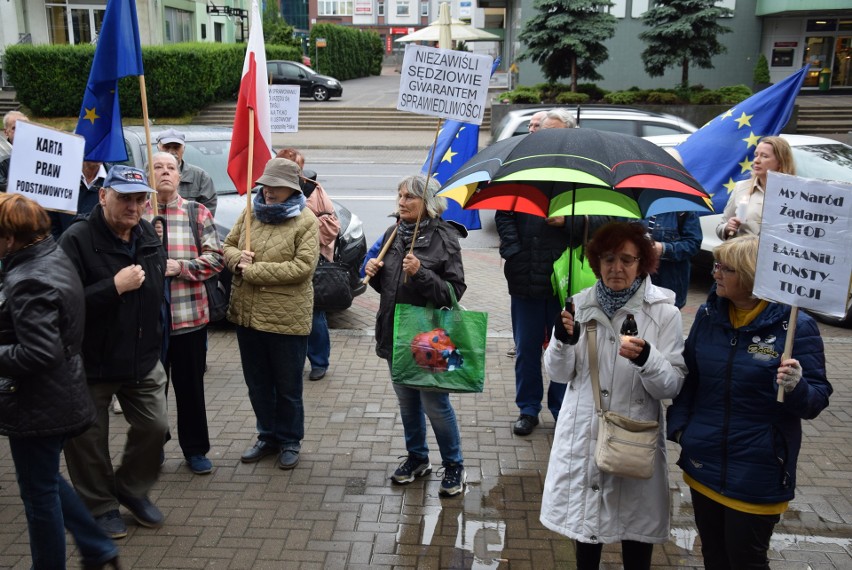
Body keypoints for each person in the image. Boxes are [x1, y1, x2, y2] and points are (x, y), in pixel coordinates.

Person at [667, 235, 832, 569]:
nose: (715, 273)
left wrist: (797, 386)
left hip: (758, 471)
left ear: (753, 275)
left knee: (746, 560)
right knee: (713, 555)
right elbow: (691, 377)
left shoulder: (796, 326)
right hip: (705, 463)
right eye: (716, 265)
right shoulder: (709, 314)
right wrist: (682, 430)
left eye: (725, 268)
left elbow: (815, 402)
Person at [540, 221, 686, 570]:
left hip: (634, 439)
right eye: (608, 259)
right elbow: (559, 374)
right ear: (596, 262)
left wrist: (647, 359)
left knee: (636, 535)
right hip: (583, 436)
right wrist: (561, 341)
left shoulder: (664, 312)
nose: (616, 268)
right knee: (586, 533)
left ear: (642, 263)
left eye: (627, 259)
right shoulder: (578, 305)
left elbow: (671, 386)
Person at [0, 194, 121, 570]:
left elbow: (39, 353)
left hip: (37, 402)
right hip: (55, 394)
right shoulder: (49, 255)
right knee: (45, 480)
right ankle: (97, 546)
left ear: (8, 238)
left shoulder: (28, 278)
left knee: (39, 497)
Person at [59, 165, 169, 539]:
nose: (134, 206)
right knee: (87, 441)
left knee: (156, 427)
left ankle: (131, 489)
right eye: (125, 197)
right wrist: (113, 287)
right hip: (90, 364)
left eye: (141, 199)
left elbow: (156, 296)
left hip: (141, 358)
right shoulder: (76, 239)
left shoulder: (148, 236)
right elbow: (62, 304)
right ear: (103, 196)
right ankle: (100, 506)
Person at [364, 174, 468, 496]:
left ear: (429, 202)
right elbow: (390, 289)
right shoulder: (393, 233)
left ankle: (454, 465)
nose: (402, 202)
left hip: (429, 338)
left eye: (410, 197)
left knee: (434, 405)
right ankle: (417, 458)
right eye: (400, 195)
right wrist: (375, 275)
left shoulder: (445, 237)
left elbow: (453, 292)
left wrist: (420, 272)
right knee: (407, 402)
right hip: (394, 332)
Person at [224, 158, 318, 470]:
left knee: (288, 387)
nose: (267, 191)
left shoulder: (306, 221)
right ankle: (267, 436)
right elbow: (226, 247)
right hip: (247, 316)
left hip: (286, 319)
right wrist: (238, 259)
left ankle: (290, 440)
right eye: (265, 185)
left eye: (275, 187)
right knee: (258, 383)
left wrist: (253, 270)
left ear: (291, 189)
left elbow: (302, 268)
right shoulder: (251, 212)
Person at [496, 207, 609, 436]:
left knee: (566, 347)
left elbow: (604, 220)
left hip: (565, 280)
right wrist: (513, 251)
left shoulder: (580, 179)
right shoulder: (523, 178)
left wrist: (568, 221)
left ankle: (561, 409)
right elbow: (504, 215)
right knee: (526, 348)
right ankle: (528, 409)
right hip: (525, 276)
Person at [150, 152, 224, 474]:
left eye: (171, 167)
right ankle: (153, 449)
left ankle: (195, 449)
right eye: (158, 167)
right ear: (148, 175)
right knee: (152, 393)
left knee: (190, 389)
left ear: (180, 176)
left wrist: (180, 267)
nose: (165, 172)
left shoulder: (197, 212)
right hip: (149, 325)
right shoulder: (139, 214)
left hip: (189, 318)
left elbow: (216, 260)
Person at [275, 147, 340, 381]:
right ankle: (292, 361)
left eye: (295, 167)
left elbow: (333, 227)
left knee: (313, 316)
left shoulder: (312, 190)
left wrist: (304, 231)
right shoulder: (268, 192)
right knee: (285, 316)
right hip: (280, 264)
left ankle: (319, 361)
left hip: (311, 263)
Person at [716, 136, 795, 240]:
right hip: (743, 254)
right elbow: (721, 226)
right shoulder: (741, 187)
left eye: (764, 156)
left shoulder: (796, 193)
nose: (756, 161)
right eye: (756, 155)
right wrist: (727, 227)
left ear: (780, 162)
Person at [156, 128, 217, 215]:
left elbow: (206, 213)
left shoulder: (201, 178)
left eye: (176, 147)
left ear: (183, 148)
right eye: (167, 147)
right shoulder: (148, 176)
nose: (171, 151)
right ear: (158, 148)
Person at [0, 110, 28, 192]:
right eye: (14, 128)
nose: (20, 131)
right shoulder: (2, 156)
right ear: (6, 132)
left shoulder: (39, 153)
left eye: (24, 127)